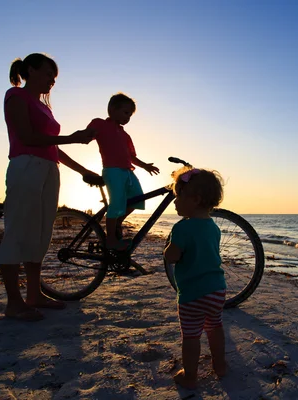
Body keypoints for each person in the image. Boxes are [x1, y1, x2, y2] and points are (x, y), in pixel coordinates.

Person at [0, 53, 104, 322]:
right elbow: (28, 137)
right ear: (31, 70)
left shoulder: (44, 106)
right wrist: (73, 138)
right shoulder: (16, 96)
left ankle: (34, 295)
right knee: (18, 231)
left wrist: (83, 171)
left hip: (48, 169)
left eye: (55, 78)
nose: (52, 81)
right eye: (48, 74)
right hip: (26, 166)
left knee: (40, 233)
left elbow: (52, 147)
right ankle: (14, 303)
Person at [163, 166, 227, 389]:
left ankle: (190, 375)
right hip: (217, 289)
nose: (175, 202)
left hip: (192, 294)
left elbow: (172, 257)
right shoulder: (213, 227)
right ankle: (220, 364)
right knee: (215, 327)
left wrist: (167, 251)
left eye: (178, 196)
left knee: (191, 336)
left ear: (196, 199)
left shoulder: (182, 228)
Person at [86, 93, 159, 250]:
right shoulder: (100, 124)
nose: (128, 118)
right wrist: (83, 135)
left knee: (138, 199)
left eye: (130, 115)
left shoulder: (125, 135)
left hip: (127, 172)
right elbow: (87, 134)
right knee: (117, 203)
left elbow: (131, 157)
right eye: (126, 113)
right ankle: (111, 239)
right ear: (112, 109)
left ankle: (117, 221)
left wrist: (145, 166)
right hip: (112, 171)